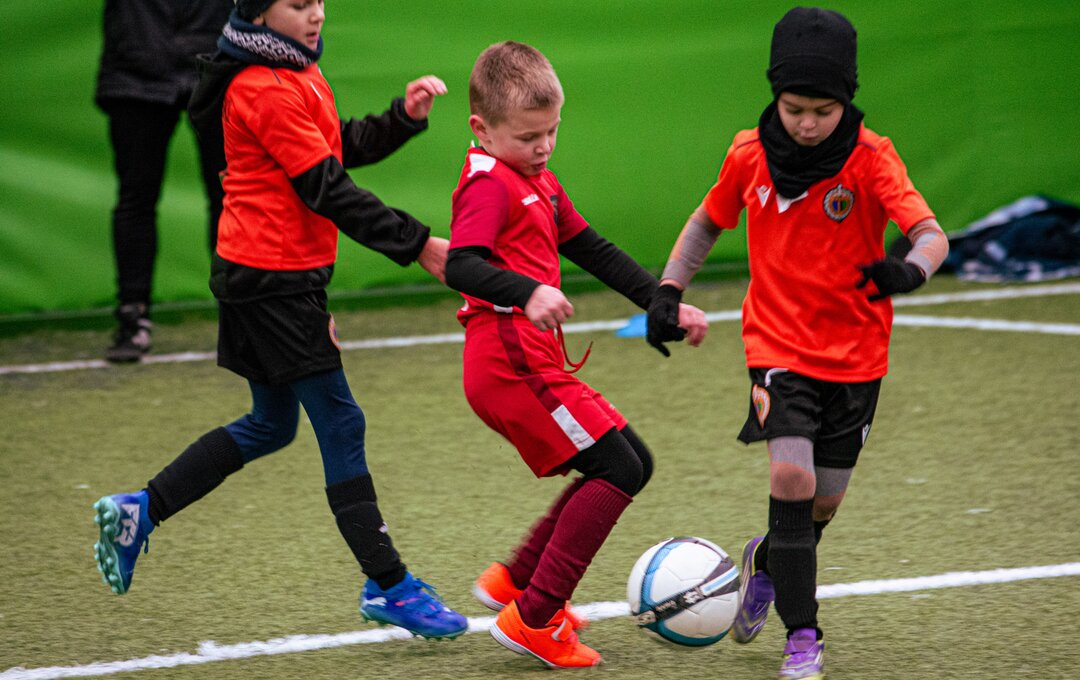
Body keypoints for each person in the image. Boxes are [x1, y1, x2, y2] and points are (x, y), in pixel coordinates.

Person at [92, 0, 469, 640]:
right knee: (341, 422)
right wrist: (418, 245)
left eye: (318, 1)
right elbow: (327, 188)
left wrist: (400, 119)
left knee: (270, 425)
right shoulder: (260, 86)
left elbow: (335, 147)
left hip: (261, 274)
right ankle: (391, 586)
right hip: (273, 281)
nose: (315, 14)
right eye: (298, 4)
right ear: (260, 14)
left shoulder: (295, 70)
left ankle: (139, 512)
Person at [646, 7, 949, 679]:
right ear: (774, 96)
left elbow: (931, 236)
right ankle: (802, 634)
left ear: (847, 101)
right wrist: (668, 289)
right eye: (793, 109)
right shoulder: (748, 154)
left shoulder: (872, 157)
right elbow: (707, 221)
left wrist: (910, 270)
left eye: (823, 111)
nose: (807, 124)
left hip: (857, 356)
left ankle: (767, 562)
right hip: (776, 345)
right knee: (790, 475)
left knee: (824, 501)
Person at [443, 41, 708, 668]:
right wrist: (527, 290)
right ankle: (534, 618)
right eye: (528, 137)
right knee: (618, 467)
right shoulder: (488, 184)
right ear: (481, 129)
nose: (543, 147)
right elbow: (461, 264)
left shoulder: (536, 179)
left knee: (630, 461)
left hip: (529, 362)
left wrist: (663, 302)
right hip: (509, 365)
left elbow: (591, 248)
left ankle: (515, 583)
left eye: (552, 132)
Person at [96, 0, 233, 363]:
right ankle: (132, 316)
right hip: (135, 71)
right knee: (136, 199)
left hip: (213, 67)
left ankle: (241, 313)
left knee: (231, 196)